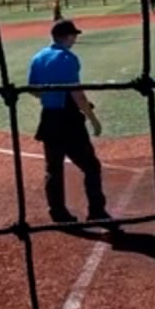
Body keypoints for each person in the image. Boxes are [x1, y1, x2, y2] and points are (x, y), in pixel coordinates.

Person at [28, 19, 109, 225]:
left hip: (48, 117)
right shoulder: (68, 58)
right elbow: (77, 94)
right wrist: (93, 119)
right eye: (73, 35)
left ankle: (58, 213)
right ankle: (97, 211)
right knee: (91, 166)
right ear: (67, 36)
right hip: (69, 119)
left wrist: (50, 96)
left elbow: (33, 89)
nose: (74, 39)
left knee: (53, 169)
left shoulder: (38, 57)